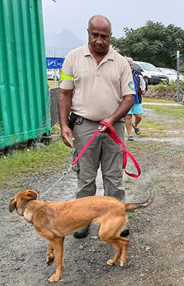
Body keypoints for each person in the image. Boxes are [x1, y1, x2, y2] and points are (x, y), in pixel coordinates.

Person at [58, 15, 135, 239]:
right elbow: (64, 93)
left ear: (110, 37)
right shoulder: (73, 58)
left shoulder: (120, 62)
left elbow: (129, 98)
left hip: (113, 128)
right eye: (95, 35)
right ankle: (83, 219)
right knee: (86, 177)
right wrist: (64, 124)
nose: (99, 41)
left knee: (114, 177)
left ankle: (117, 221)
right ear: (88, 33)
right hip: (84, 126)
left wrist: (112, 119)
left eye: (104, 36)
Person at [125, 57, 146, 141]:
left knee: (139, 116)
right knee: (128, 116)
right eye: (129, 65)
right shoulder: (121, 73)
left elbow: (143, 83)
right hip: (126, 99)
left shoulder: (138, 74)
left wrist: (144, 89)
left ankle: (136, 125)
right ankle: (130, 134)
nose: (131, 67)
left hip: (137, 98)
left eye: (132, 65)